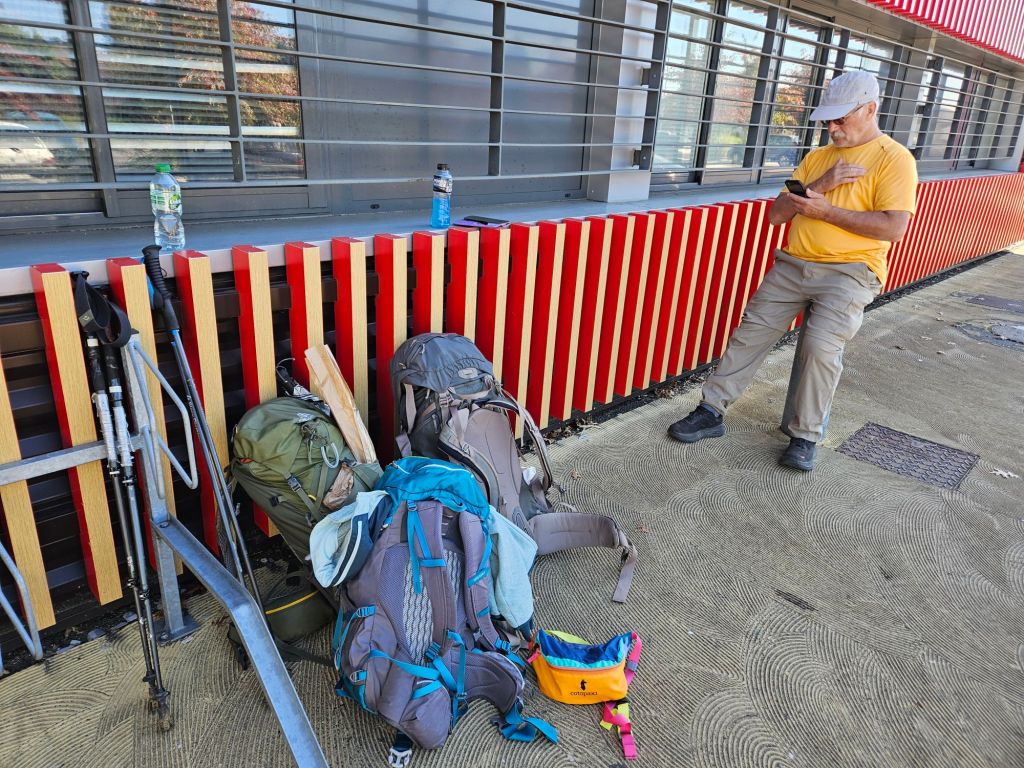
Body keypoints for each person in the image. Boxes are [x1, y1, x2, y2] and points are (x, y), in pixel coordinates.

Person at [667, 70, 918, 471]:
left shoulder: (894, 159)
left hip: (851, 271)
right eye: (828, 120)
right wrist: (821, 183)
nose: (832, 128)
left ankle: (805, 436)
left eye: (841, 119)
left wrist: (826, 211)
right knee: (751, 332)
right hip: (793, 263)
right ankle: (710, 411)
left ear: (870, 109)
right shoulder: (817, 158)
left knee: (821, 347)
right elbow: (777, 214)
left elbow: (893, 227)